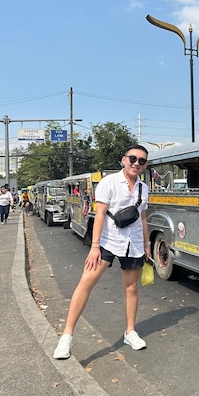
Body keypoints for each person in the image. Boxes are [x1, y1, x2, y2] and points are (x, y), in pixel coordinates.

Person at [53, 144, 152, 360]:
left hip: (133, 243)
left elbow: (142, 218)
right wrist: (95, 246)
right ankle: (67, 336)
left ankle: (130, 332)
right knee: (86, 282)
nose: (136, 163)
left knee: (131, 287)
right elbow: (99, 215)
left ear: (145, 165)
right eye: (132, 158)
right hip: (108, 241)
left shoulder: (144, 188)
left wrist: (146, 244)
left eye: (141, 161)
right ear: (123, 159)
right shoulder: (108, 183)